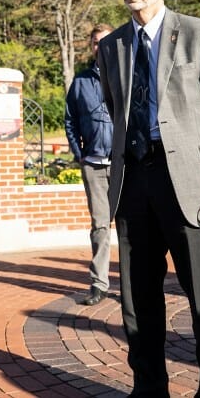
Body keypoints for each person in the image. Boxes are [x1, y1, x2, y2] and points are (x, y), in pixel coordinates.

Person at [97, 0, 200, 398]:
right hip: (133, 182)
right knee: (138, 301)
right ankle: (148, 388)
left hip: (192, 185)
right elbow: (115, 108)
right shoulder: (111, 45)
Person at [65, 23, 119, 306]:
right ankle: (99, 283)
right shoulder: (81, 82)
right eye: (96, 42)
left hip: (125, 166)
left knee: (131, 227)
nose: (101, 46)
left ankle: (136, 287)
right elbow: (70, 121)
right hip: (94, 167)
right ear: (92, 46)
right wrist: (79, 154)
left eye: (106, 41)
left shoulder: (127, 76)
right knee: (100, 226)